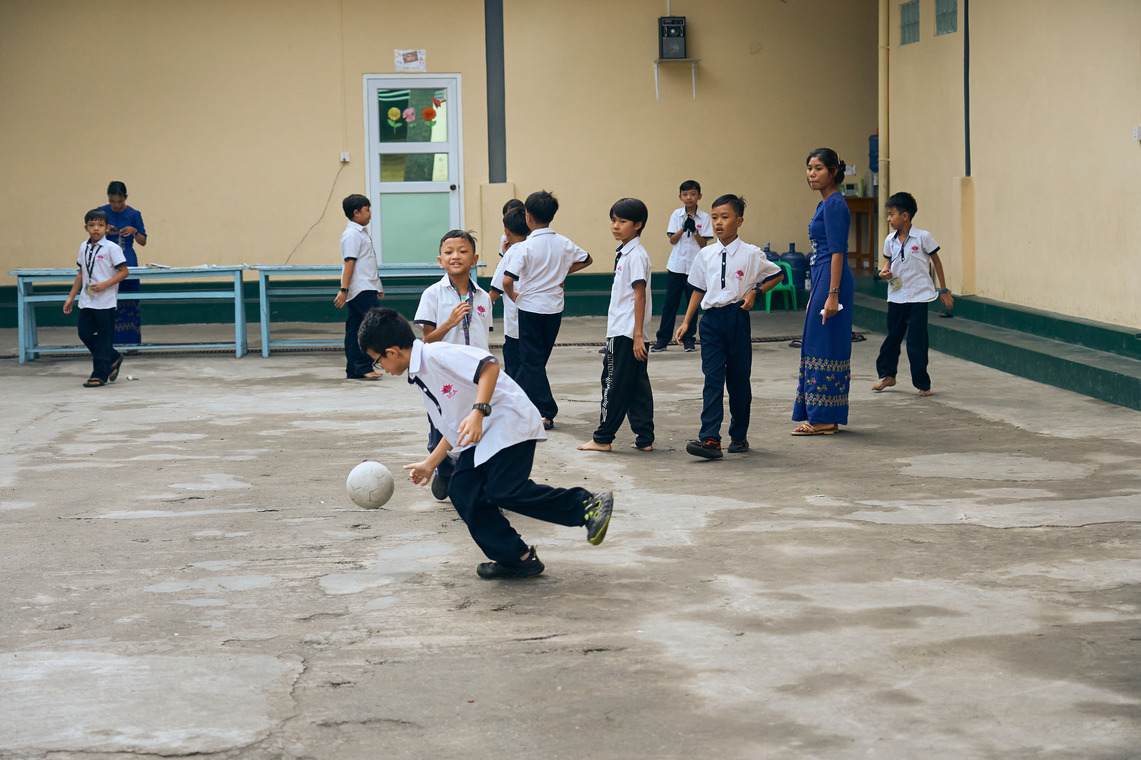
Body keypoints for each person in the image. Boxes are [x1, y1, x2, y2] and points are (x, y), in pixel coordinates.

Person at [358, 307, 614, 580]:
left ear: (392, 352)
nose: (381, 368)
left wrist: (478, 411)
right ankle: (518, 558)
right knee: (463, 490)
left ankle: (587, 505)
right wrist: (430, 464)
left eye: (377, 361)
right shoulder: (421, 376)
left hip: (507, 423)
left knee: (503, 489)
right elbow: (456, 427)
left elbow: (488, 367)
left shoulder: (436, 355)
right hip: (483, 437)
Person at [675, 195, 783, 458]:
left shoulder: (751, 254)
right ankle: (710, 439)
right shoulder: (705, 254)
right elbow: (698, 289)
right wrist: (687, 321)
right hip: (710, 321)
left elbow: (777, 274)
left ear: (739, 221)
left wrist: (755, 292)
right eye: (714, 217)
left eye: (725, 217)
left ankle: (739, 435)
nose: (718, 223)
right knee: (712, 380)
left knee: (738, 381)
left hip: (737, 319)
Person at [501, 190, 593, 430]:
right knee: (538, 359)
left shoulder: (524, 247)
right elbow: (587, 259)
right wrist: (562, 273)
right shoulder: (563, 242)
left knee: (532, 361)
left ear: (528, 217)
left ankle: (545, 410)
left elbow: (507, 280)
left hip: (530, 307)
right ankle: (519, 403)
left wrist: (512, 296)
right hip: (554, 307)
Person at [414, 229, 492, 501]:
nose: (455, 256)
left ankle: (469, 477)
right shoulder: (433, 294)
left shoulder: (482, 296)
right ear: (440, 260)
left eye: (462, 251)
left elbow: (484, 336)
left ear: (475, 258)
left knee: (475, 428)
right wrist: (449, 323)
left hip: (476, 376)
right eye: (449, 252)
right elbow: (427, 341)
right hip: (444, 376)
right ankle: (443, 468)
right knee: (442, 428)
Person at [578, 198, 655, 453]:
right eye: (613, 220)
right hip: (629, 331)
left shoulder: (635, 255)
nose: (615, 226)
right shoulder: (627, 252)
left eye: (622, 221)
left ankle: (603, 438)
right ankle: (645, 438)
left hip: (625, 332)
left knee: (612, 382)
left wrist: (636, 336)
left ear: (638, 224)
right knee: (636, 385)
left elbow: (639, 295)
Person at [792, 148, 855, 435]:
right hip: (823, 276)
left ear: (832, 171)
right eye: (809, 168)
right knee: (816, 341)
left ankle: (824, 418)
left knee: (824, 345)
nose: (811, 174)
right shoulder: (826, 203)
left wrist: (832, 294)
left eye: (818, 168)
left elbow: (839, 251)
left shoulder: (834, 204)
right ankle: (821, 415)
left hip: (832, 276)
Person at [872, 192, 954, 396]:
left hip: (919, 297)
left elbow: (936, 262)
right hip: (896, 295)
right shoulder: (889, 240)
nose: (889, 219)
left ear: (905, 216)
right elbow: (887, 262)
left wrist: (943, 290)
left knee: (917, 342)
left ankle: (922, 384)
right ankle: (888, 375)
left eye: (891, 214)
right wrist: (884, 272)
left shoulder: (923, 237)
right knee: (892, 338)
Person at [62, 209, 129, 387]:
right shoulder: (83, 247)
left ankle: (99, 374)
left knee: (104, 337)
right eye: (92, 225)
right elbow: (81, 273)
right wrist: (71, 297)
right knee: (84, 333)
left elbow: (124, 272)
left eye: (100, 225)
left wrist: (105, 285)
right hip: (87, 299)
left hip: (105, 301)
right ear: (86, 228)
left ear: (107, 228)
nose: (96, 229)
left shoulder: (111, 248)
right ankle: (113, 357)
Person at [651, 180, 711, 353]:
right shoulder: (676, 215)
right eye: (685, 194)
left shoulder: (705, 217)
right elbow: (672, 240)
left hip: (694, 267)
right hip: (676, 266)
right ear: (680, 197)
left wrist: (695, 231)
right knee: (670, 303)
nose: (689, 197)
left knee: (692, 303)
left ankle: (689, 339)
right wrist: (683, 229)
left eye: (693, 194)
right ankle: (662, 339)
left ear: (699, 196)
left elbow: (703, 245)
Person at [333, 194, 384, 380]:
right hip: (360, 289)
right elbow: (350, 263)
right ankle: (363, 365)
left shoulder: (360, 233)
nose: (370, 213)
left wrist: (377, 285)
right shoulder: (352, 235)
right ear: (356, 213)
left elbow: (366, 263)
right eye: (367, 210)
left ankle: (354, 369)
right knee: (371, 327)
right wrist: (344, 290)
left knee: (355, 329)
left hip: (366, 287)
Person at [99, 181, 146, 348]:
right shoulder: (101, 212)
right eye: (112, 201)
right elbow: (92, 237)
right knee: (106, 302)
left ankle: (131, 344)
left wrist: (134, 232)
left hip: (127, 261)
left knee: (129, 302)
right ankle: (108, 345)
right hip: (105, 262)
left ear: (126, 198)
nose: (116, 205)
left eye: (120, 201)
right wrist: (104, 230)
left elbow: (143, 241)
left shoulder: (134, 214)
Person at [489, 206, 530, 379]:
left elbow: (496, 289)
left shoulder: (512, 253)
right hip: (535, 321)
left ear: (506, 231)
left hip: (514, 325)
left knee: (514, 370)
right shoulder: (534, 249)